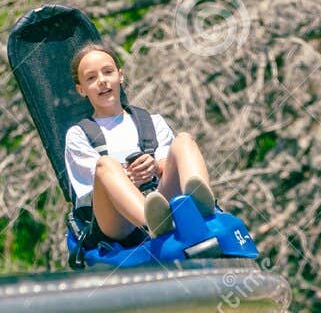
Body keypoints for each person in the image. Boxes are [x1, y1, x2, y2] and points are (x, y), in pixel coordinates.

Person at [63, 42, 214, 243]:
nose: (102, 81)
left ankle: (199, 203)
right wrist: (128, 175)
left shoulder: (152, 121)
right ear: (81, 89)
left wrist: (153, 166)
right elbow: (93, 184)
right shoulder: (78, 134)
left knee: (184, 140)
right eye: (91, 78)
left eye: (108, 72)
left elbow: (165, 163)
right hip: (115, 219)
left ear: (121, 76)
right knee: (105, 164)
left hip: (159, 197)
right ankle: (151, 221)